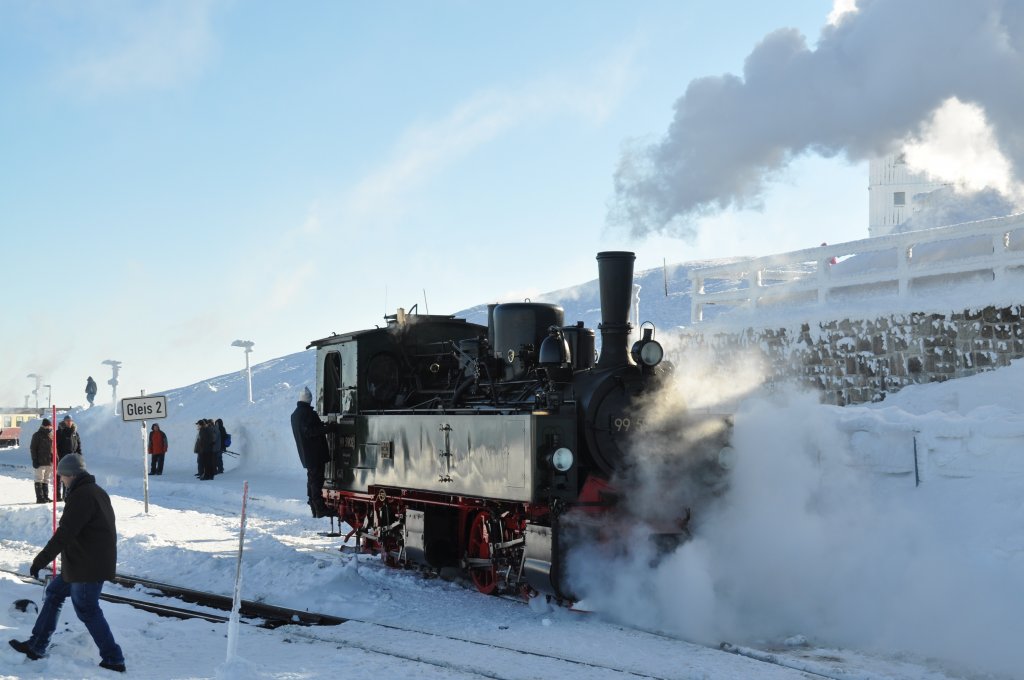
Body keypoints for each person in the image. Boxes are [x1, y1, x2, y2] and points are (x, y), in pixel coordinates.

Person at [8, 454, 126, 673]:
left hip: (87, 566)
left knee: (87, 609)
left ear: (71, 475)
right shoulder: (94, 491)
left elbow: (65, 534)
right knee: (54, 594)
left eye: (61, 476)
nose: (60, 479)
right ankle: (37, 644)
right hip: (85, 561)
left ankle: (113, 658)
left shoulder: (83, 496)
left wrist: (40, 561)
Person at [290, 386, 331, 517]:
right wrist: (328, 429)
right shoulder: (307, 413)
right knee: (316, 481)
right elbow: (310, 431)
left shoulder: (295, 415)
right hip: (316, 453)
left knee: (312, 480)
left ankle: (314, 507)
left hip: (306, 454)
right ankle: (320, 508)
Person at [55, 414, 83, 501]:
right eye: (67, 421)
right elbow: (55, 446)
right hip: (62, 458)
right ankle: (58, 496)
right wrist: (57, 457)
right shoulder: (59, 432)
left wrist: (79, 458)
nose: (69, 422)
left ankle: (67, 495)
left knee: (70, 478)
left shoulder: (75, 433)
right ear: (64, 421)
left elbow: (78, 447)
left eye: (70, 421)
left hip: (72, 459)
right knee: (60, 477)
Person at [29, 419, 54, 504]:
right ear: (44, 426)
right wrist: (34, 460)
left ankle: (45, 497)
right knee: (39, 479)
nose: (49, 427)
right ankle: (39, 498)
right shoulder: (37, 435)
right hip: (40, 462)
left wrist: (54, 458)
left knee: (46, 480)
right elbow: (33, 448)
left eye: (50, 426)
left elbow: (53, 449)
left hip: (49, 462)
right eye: (48, 425)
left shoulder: (51, 435)